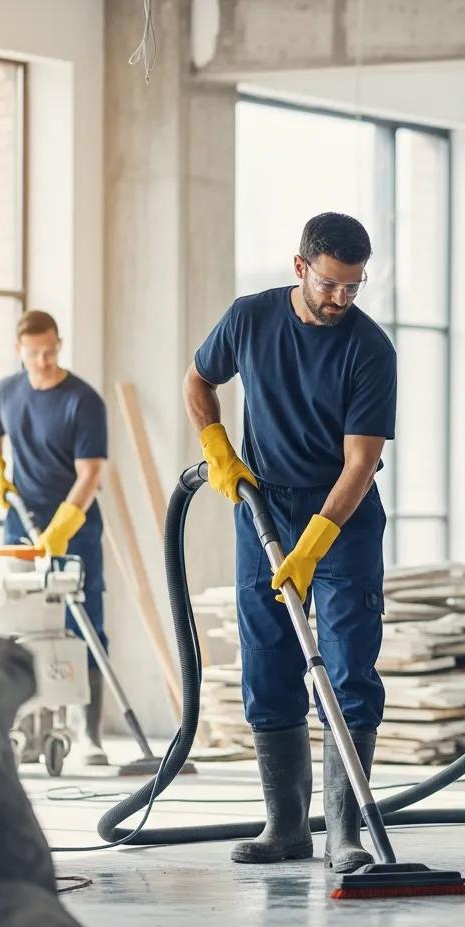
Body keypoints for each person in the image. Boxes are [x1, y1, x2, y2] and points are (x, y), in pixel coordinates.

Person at [183, 212, 397, 873]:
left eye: (354, 287)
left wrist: (313, 548)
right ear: (301, 267)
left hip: (343, 519)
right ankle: (285, 826)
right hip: (264, 511)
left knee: (347, 668)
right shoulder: (250, 319)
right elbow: (199, 380)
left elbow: (360, 463)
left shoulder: (370, 348)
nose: (341, 298)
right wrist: (217, 448)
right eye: (332, 283)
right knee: (268, 662)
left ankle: (344, 834)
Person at [0, 310, 110, 764]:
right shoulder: (7, 391)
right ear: (20, 351)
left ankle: (88, 733)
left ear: (59, 342)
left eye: (51, 349)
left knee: (83, 624)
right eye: (34, 352)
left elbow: (91, 473)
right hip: (20, 525)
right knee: (20, 624)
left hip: (73, 526)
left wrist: (64, 525)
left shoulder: (83, 400)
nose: (43, 359)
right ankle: (28, 729)